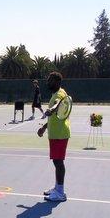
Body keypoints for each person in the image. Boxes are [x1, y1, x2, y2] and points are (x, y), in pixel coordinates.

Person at [37, 72, 70, 202]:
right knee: (57, 161)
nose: (48, 82)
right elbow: (53, 116)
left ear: (56, 81)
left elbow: (57, 104)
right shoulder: (56, 93)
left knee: (58, 162)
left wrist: (52, 109)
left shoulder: (60, 95)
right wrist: (44, 128)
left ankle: (60, 193)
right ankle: (57, 188)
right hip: (55, 133)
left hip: (60, 134)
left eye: (50, 80)